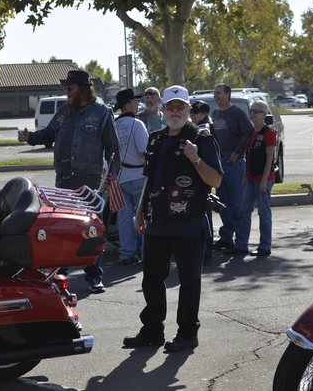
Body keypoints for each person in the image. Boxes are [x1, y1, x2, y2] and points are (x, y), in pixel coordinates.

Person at [123, 85, 223, 352]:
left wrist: (195, 158)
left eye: (180, 106)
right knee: (151, 280)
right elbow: (149, 180)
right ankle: (152, 330)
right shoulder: (156, 139)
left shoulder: (201, 139)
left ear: (188, 109)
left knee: (189, 282)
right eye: (171, 106)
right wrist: (140, 212)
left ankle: (188, 333)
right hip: (158, 223)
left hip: (189, 223)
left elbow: (215, 180)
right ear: (163, 109)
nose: (175, 111)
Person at [18, 70, 120, 293]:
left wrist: (111, 181)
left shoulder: (101, 112)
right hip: (64, 181)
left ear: (83, 89)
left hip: (90, 183)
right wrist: (30, 137)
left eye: (70, 88)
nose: (66, 92)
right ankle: (60, 275)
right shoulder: (64, 112)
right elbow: (48, 134)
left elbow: (113, 150)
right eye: (65, 88)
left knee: (92, 230)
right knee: (63, 228)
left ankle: (94, 277)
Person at [210, 84, 253, 253]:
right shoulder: (215, 113)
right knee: (223, 203)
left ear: (228, 94)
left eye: (219, 93)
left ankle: (240, 243)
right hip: (219, 162)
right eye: (214, 93)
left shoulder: (237, 113)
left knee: (237, 204)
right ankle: (226, 238)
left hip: (234, 163)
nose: (216, 96)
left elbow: (249, 132)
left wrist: (237, 152)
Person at [235, 99, 276, 256]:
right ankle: (241, 245)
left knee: (263, 212)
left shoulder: (269, 133)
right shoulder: (252, 132)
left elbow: (269, 158)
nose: (252, 114)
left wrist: (264, 180)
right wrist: (245, 176)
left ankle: (265, 246)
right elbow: (249, 156)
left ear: (264, 114)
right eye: (251, 111)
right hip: (251, 177)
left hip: (263, 178)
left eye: (256, 111)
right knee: (244, 210)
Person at [113, 88, 149, 265]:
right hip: (138, 175)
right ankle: (144, 251)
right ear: (130, 103)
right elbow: (144, 152)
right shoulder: (137, 124)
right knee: (142, 215)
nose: (137, 104)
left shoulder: (113, 124)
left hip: (119, 177)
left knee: (125, 217)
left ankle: (127, 253)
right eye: (136, 101)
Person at [190, 100, 216, 265]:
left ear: (205, 114)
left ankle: (205, 254)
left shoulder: (204, 130)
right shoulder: (201, 127)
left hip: (203, 176)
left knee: (204, 217)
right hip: (202, 175)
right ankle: (205, 254)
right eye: (191, 112)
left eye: (196, 113)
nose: (192, 115)